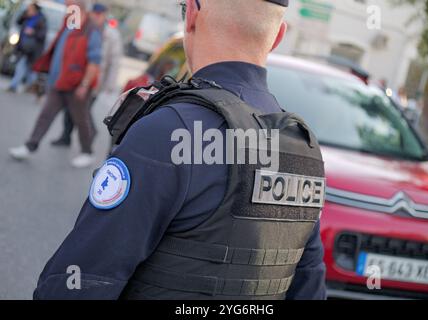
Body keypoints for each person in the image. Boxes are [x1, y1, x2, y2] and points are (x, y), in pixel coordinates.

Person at [34, 0, 327, 300]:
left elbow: (77, 283)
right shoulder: (304, 151)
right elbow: (310, 289)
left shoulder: (169, 132)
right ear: (278, 36)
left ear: (192, 14)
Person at [9, 0, 103, 168]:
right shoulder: (69, 25)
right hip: (60, 82)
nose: (67, 8)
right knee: (45, 116)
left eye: (70, 6)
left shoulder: (91, 29)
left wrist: (84, 84)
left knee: (81, 120)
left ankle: (87, 152)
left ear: (79, 7)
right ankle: (30, 146)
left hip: (76, 84)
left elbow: (94, 62)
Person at [51, 3, 123, 147]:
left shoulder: (111, 35)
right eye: (94, 14)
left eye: (99, 15)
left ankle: (87, 136)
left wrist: (109, 85)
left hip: (96, 81)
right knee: (74, 109)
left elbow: (114, 62)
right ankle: (67, 136)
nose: (96, 17)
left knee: (82, 111)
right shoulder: (86, 29)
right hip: (79, 77)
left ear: (104, 16)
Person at [7, 1, 47, 93]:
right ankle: (16, 85)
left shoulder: (41, 20)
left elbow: (42, 34)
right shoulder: (27, 17)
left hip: (33, 49)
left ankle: (31, 87)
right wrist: (25, 14)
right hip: (24, 47)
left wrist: (33, 32)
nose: (29, 11)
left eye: (31, 9)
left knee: (31, 70)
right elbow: (18, 22)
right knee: (22, 66)